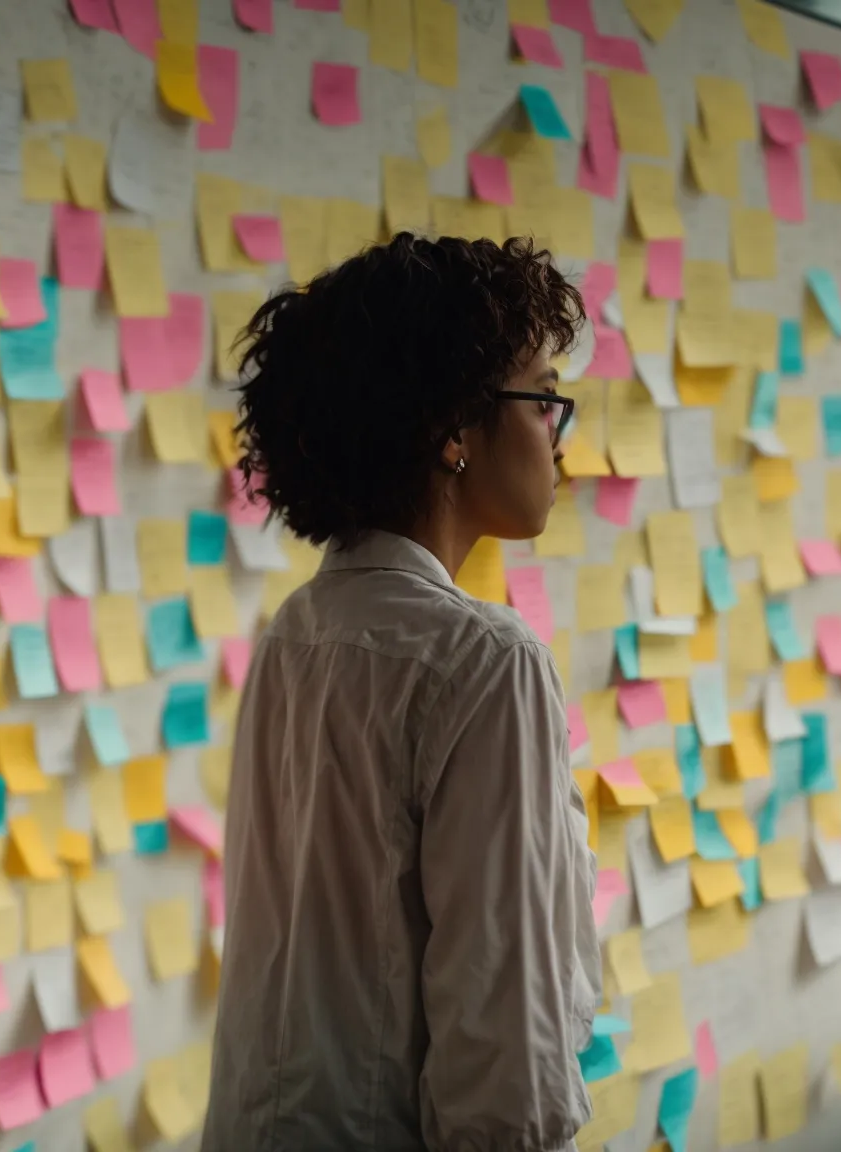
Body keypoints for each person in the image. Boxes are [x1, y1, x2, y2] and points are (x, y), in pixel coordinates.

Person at [202, 234, 601, 1151]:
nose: (557, 434)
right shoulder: (486, 660)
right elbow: (506, 1087)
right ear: (453, 432)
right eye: (542, 397)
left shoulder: (295, 634)